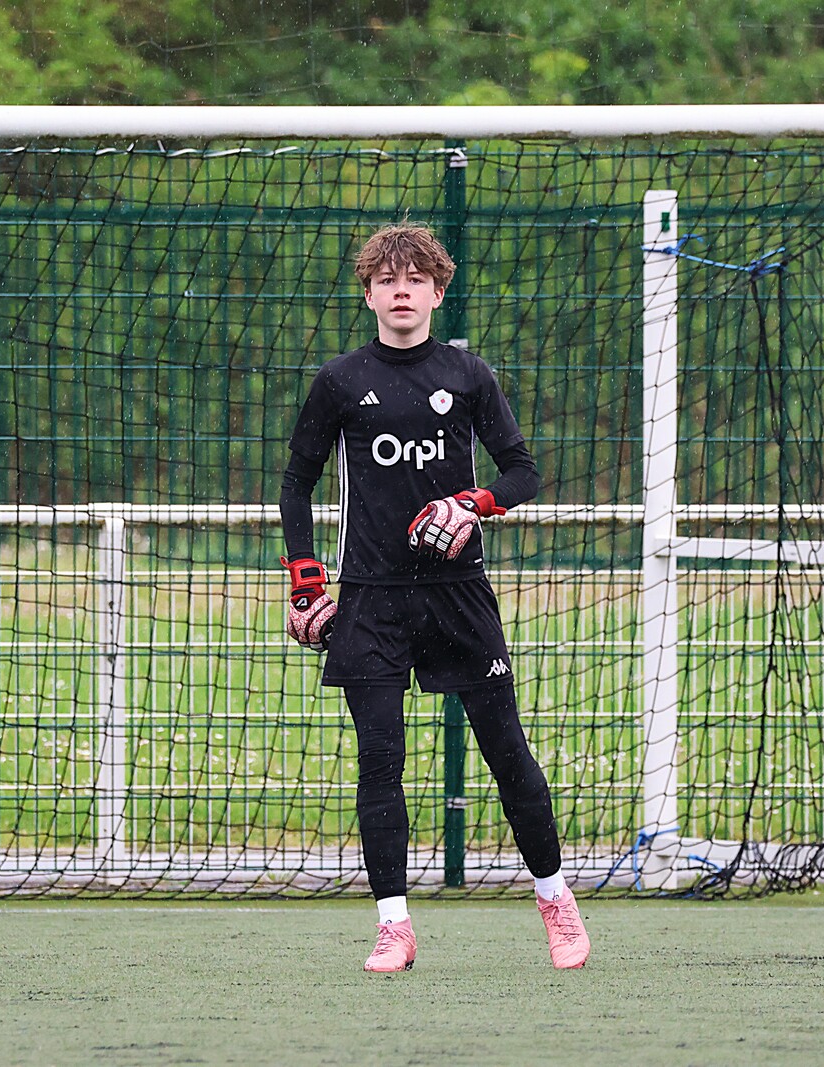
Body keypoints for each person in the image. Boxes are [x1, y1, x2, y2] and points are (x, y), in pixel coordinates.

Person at [278, 224, 590, 973]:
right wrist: (306, 579)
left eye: (415, 279)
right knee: (380, 760)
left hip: (458, 595)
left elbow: (522, 472)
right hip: (371, 600)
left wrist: (474, 503)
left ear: (437, 292)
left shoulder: (467, 373)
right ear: (368, 295)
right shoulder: (341, 380)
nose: (402, 291)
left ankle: (555, 899)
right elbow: (296, 484)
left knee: (506, 753)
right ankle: (394, 924)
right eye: (387, 280)